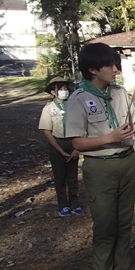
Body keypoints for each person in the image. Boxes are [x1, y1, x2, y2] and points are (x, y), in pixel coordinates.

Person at [65, 42, 135, 270]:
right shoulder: (78, 100)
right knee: (105, 223)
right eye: (109, 65)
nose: (115, 69)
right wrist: (110, 137)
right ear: (93, 69)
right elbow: (77, 142)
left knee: (124, 221)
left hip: (127, 162)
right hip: (100, 167)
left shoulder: (119, 93)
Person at [38, 76, 83, 217]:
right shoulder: (48, 109)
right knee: (60, 176)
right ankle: (63, 205)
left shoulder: (74, 107)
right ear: (53, 92)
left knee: (73, 176)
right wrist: (60, 151)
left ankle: (75, 204)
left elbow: (82, 127)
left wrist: (77, 149)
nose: (64, 91)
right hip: (57, 144)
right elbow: (47, 131)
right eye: (60, 89)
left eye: (65, 88)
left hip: (72, 142)